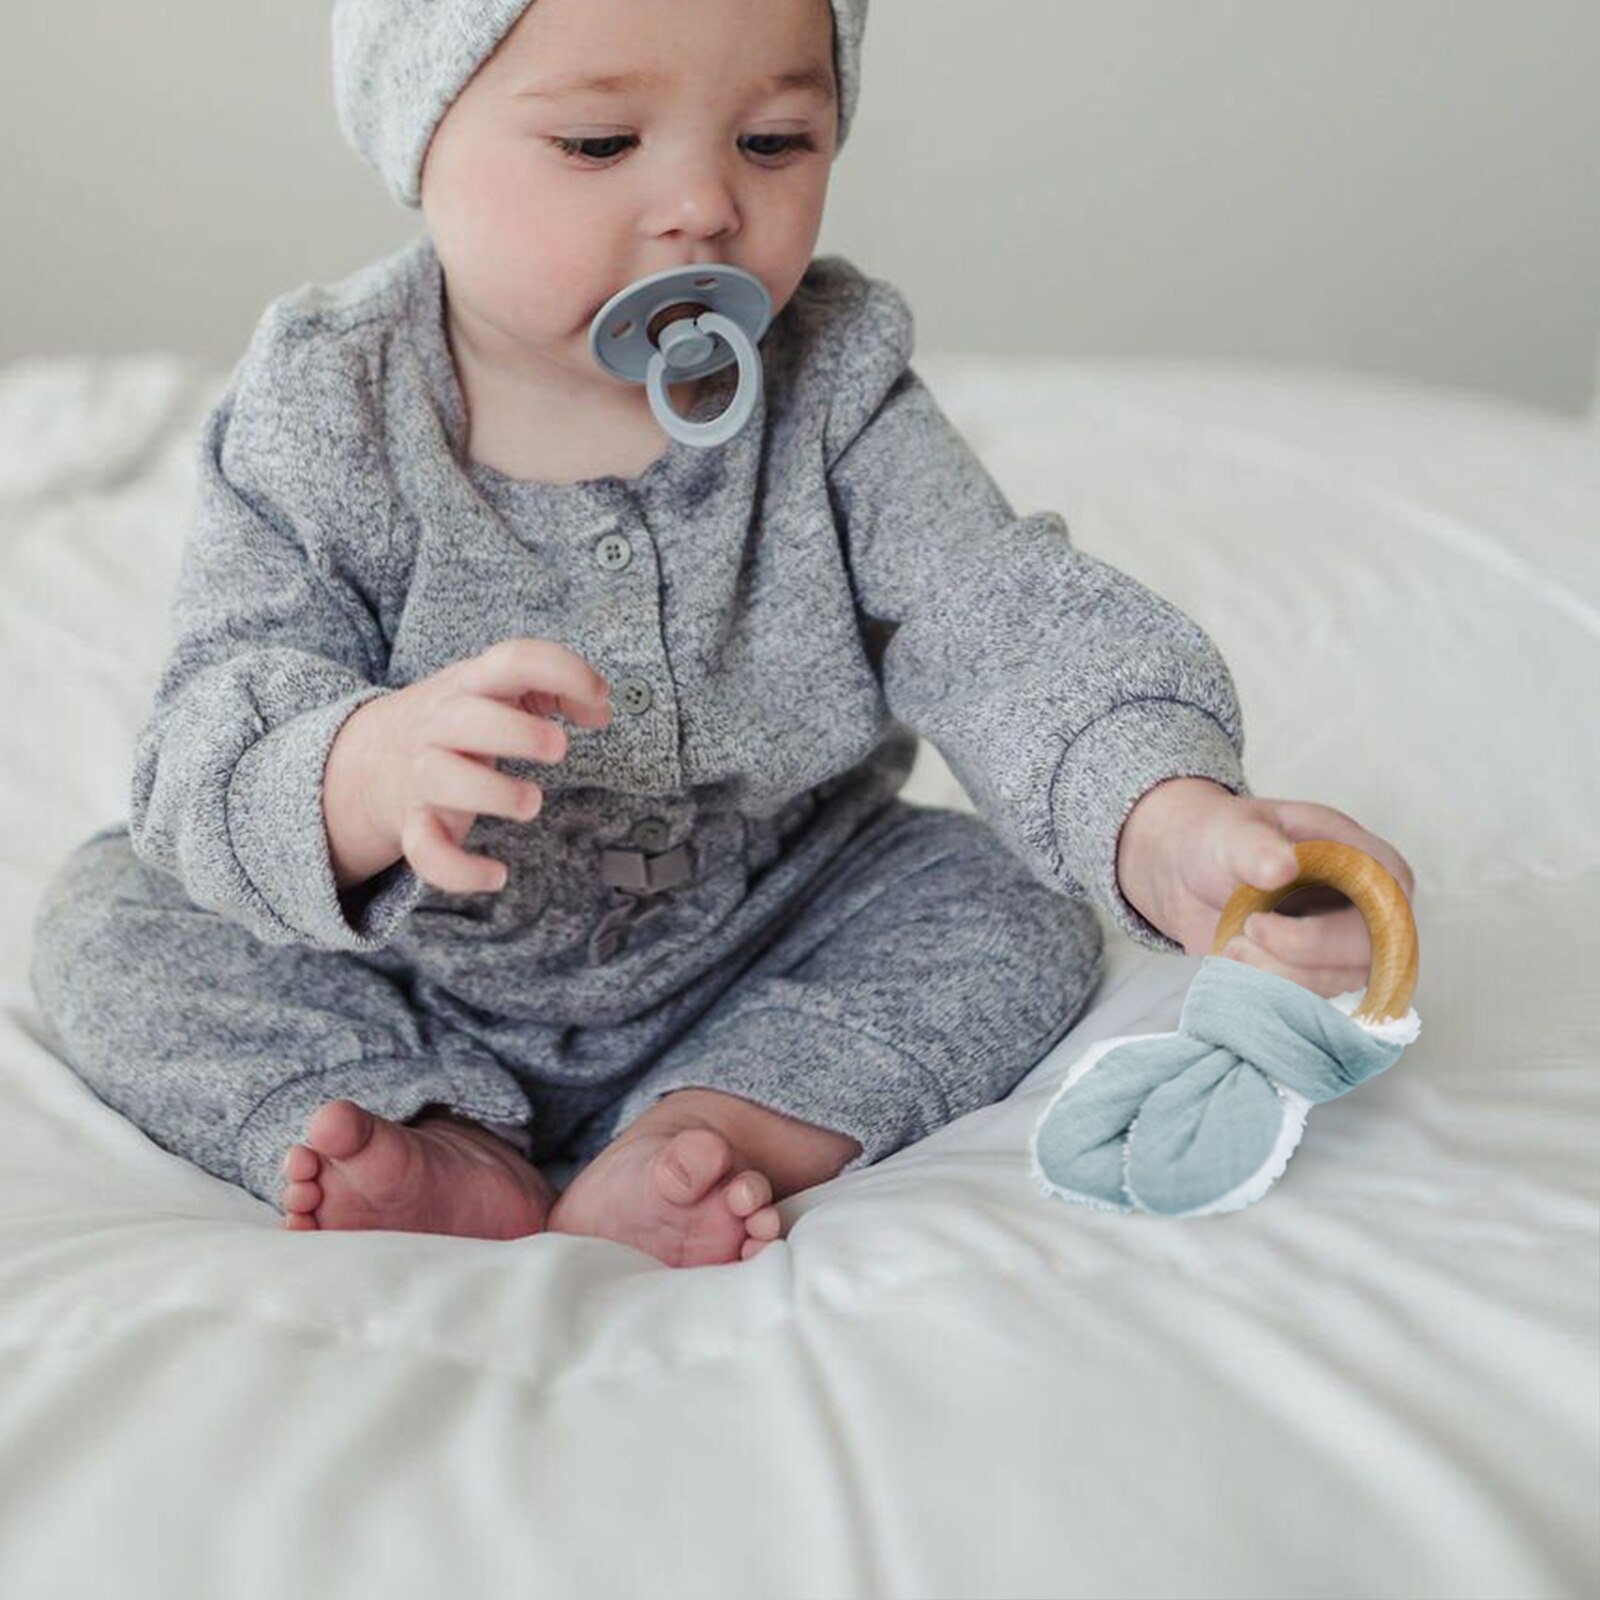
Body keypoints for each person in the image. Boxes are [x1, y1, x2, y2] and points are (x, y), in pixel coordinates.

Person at [29, 0, 1414, 1268]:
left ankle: (711, 1124)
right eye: (597, 141)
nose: (701, 204)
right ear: (422, 132)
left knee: (1010, 904)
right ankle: (429, 1127)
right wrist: (362, 770)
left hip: (769, 921)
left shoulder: (835, 380)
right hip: (400, 969)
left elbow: (993, 610)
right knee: (113, 918)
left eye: (773, 139)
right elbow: (224, 703)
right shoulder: (328, 400)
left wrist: (1162, 818)